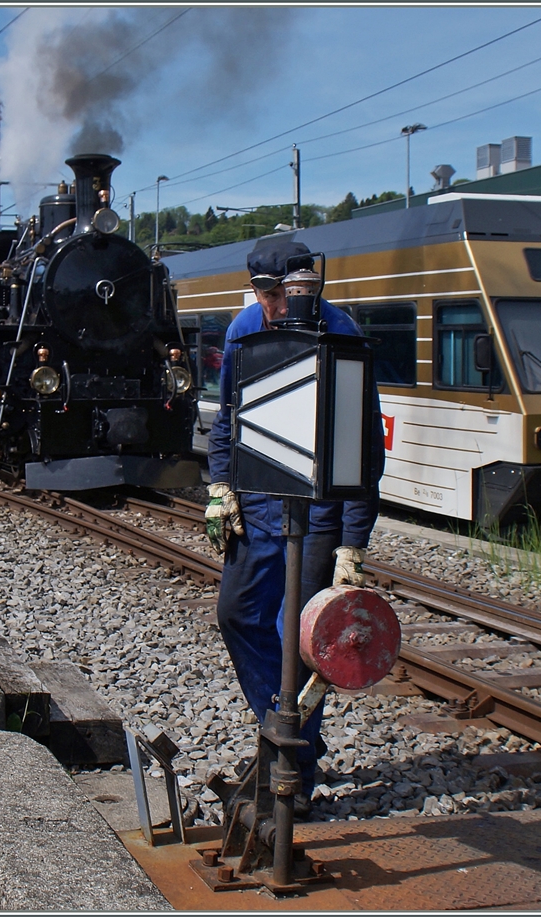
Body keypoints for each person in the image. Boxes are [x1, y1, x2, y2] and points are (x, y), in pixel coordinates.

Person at [205, 239, 385, 818]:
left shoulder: (342, 336)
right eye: (267, 293)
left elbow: (363, 456)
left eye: (288, 293)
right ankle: (283, 729)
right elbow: (230, 416)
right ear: (254, 290)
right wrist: (220, 485)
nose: (278, 306)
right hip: (258, 503)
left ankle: (293, 774)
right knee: (235, 613)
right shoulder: (242, 331)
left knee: (298, 638)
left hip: (320, 511)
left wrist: (353, 544)